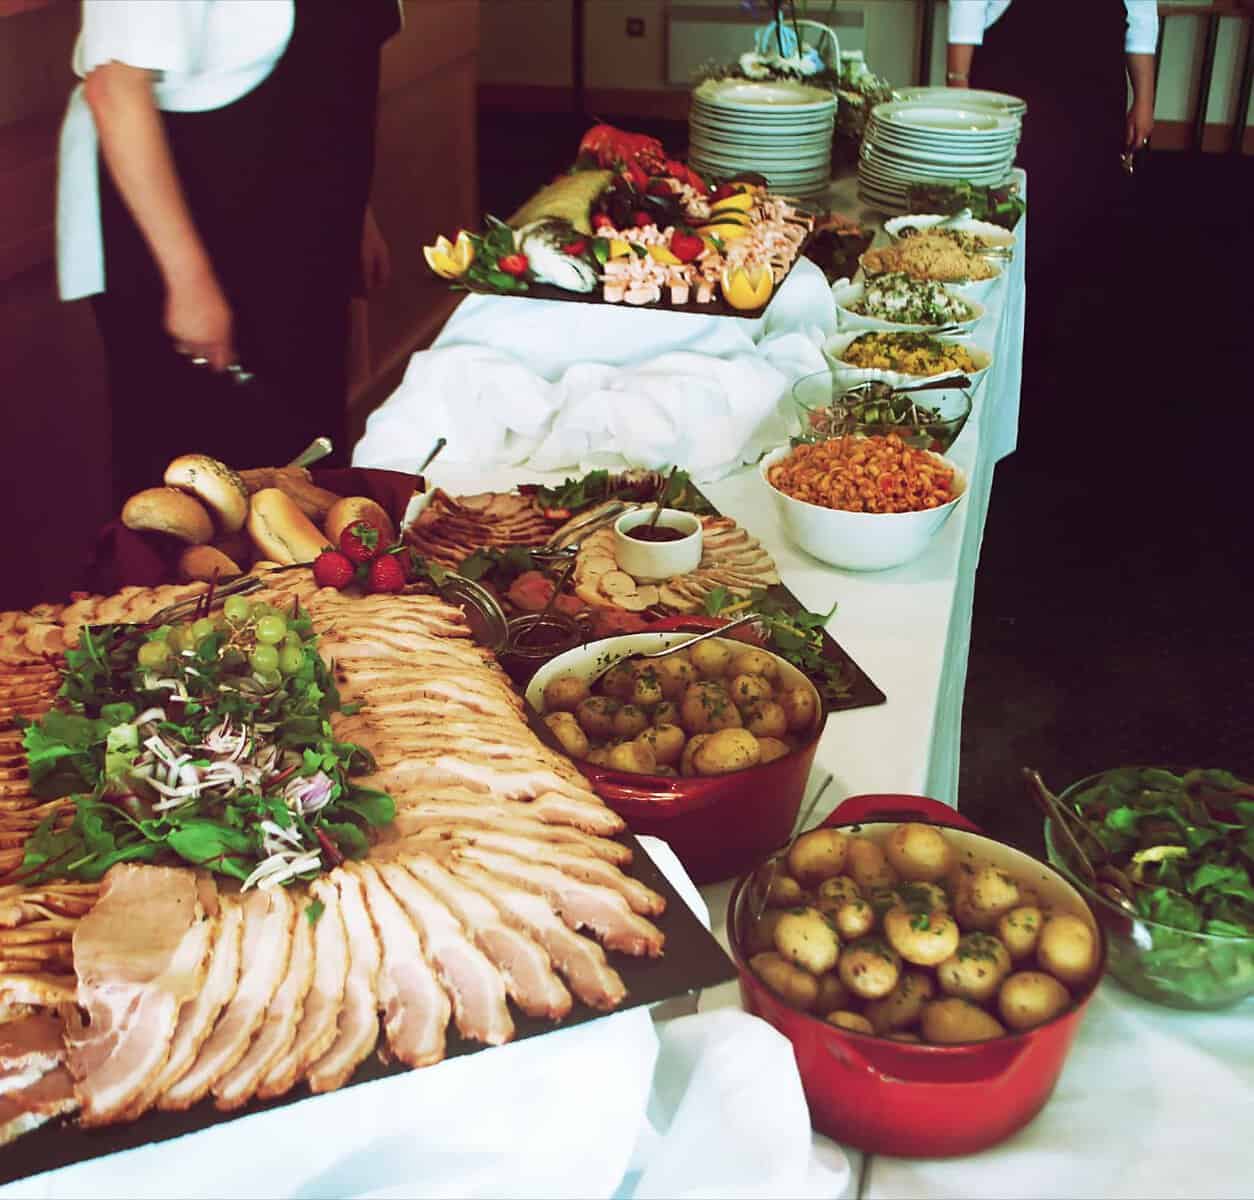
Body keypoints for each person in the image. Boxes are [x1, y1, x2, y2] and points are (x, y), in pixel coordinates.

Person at [57, 1, 402, 500]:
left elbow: (333, 76)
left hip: (303, 236)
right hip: (199, 239)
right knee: (206, 488)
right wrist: (189, 283)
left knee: (305, 462)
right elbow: (114, 91)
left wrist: (355, 213)